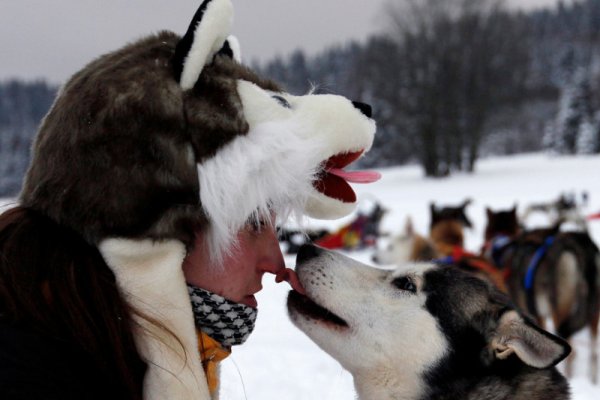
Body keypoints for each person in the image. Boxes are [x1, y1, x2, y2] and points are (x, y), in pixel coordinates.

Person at [0, 1, 377, 399]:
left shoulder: (106, 354)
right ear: (148, 227)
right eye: (250, 223)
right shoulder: (30, 376)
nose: (275, 263)